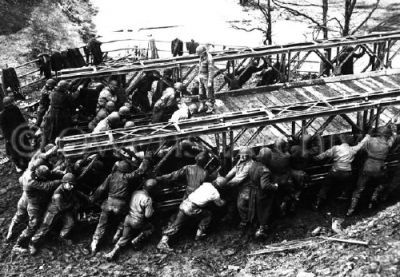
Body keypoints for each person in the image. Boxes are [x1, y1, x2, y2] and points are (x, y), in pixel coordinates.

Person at [89, 157, 150, 253]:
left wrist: (92, 198)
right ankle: (117, 234)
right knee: (126, 218)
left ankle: (94, 243)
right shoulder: (127, 177)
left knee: (101, 224)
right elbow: (140, 171)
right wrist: (146, 159)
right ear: (126, 169)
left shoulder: (111, 176)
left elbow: (101, 189)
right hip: (120, 205)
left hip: (109, 203)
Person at [157, 177, 227, 252]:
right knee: (207, 215)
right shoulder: (215, 193)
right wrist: (224, 201)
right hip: (192, 208)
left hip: (185, 203)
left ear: (215, 180)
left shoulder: (206, 184)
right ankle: (199, 235)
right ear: (221, 186)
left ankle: (164, 240)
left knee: (176, 222)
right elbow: (219, 204)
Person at [29, 173, 88, 255]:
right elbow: (61, 207)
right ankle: (33, 243)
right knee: (45, 228)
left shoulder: (70, 190)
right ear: (64, 183)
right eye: (70, 184)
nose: (72, 186)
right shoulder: (58, 194)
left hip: (65, 210)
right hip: (54, 211)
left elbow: (75, 198)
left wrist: (78, 203)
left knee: (70, 223)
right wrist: (73, 204)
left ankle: (62, 237)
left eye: (73, 184)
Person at [7, 165, 62, 252]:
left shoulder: (34, 172)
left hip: (40, 201)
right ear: (39, 175)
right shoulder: (31, 181)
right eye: (44, 177)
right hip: (34, 205)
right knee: (33, 224)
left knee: (40, 220)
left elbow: (51, 173)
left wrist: (62, 173)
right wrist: (60, 181)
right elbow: (46, 186)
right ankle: (17, 245)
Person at [347, 127, 396, 216]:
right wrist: (393, 131)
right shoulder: (387, 144)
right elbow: (393, 138)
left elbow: (361, 150)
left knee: (358, 189)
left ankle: (351, 209)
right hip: (379, 169)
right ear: (386, 135)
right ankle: (374, 197)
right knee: (382, 183)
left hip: (367, 167)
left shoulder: (370, 140)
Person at [104, 179, 157, 260]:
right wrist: (152, 210)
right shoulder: (148, 199)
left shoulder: (135, 192)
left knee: (124, 237)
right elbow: (148, 215)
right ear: (152, 190)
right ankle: (137, 240)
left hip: (128, 218)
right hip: (137, 221)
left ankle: (112, 252)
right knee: (151, 228)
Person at [313, 134, 370, 210]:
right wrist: (367, 136)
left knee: (325, 186)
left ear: (341, 141)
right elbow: (361, 144)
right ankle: (344, 194)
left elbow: (324, 155)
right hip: (346, 173)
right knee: (350, 182)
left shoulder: (336, 148)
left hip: (334, 171)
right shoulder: (352, 149)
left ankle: (318, 202)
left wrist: (315, 158)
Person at [237, 147, 278, 238]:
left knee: (254, 209)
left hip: (253, 191)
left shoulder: (253, 165)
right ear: (267, 158)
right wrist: (274, 186)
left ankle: (253, 225)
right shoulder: (265, 170)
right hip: (262, 194)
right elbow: (265, 186)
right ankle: (262, 229)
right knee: (264, 210)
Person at [41, 80, 78, 147]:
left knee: (50, 129)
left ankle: (48, 143)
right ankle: (60, 144)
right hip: (61, 114)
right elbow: (72, 105)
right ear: (64, 88)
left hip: (51, 112)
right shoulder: (66, 96)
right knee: (63, 129)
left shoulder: (52, 93)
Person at [0, 96, 29, 171]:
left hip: (18, 133)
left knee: (22, 148)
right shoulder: (3, 115)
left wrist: (26, 129)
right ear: (8, 104)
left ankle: (25, 162)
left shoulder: (15, 109)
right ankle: (18, 166)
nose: (13, 103)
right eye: (11, 103)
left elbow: (21, 119)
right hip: (12, 135)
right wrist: (7, 138)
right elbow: (4, 128)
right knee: (15, 152)